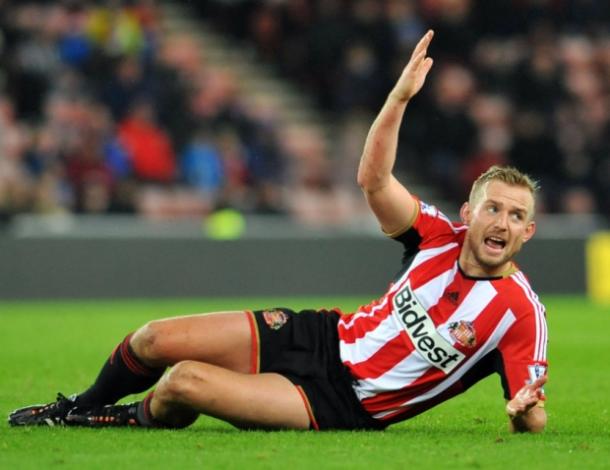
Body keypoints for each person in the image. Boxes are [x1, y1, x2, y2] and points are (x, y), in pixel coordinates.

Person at [8, 30, 548, 433]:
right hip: (322, 336)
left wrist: (523, 412)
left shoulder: (520, 311)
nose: (501, 222)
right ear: (468, 213)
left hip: (343, 404)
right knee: (155, 338)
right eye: (492, 209)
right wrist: (399, 99)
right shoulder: (436, 236)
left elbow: (533, 412)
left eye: (515, 216)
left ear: (527, 232)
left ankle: (119, 422)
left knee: (183, 382)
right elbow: (373, 179)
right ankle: (75, 406)